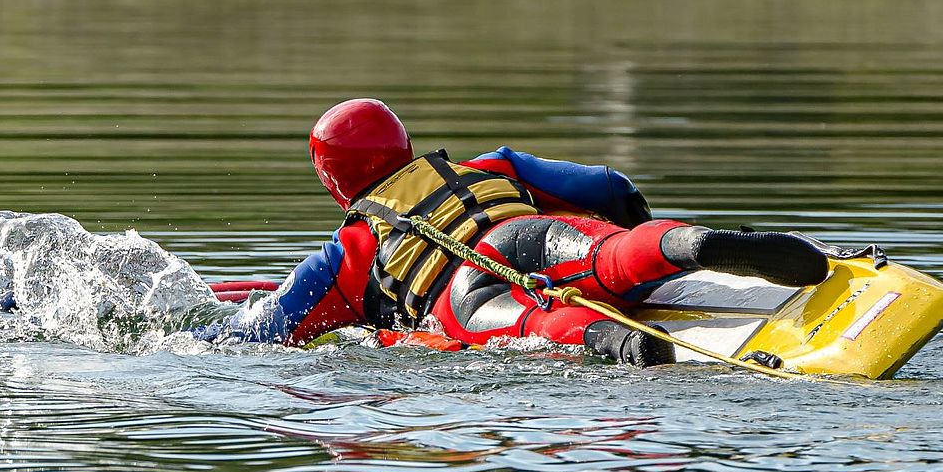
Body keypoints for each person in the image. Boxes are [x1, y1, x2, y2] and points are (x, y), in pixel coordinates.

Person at [203, 98, 832, 364]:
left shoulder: (347, 253)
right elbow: (611, 188)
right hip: (528, 232)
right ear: (406, 146)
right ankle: (683, 247)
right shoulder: (488, 168)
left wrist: (188, 326)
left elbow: (256, 336)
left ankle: (611, 341)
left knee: (523, 325)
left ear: (333, 181)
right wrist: (639, 225)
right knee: (606, 253)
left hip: (465, 289)